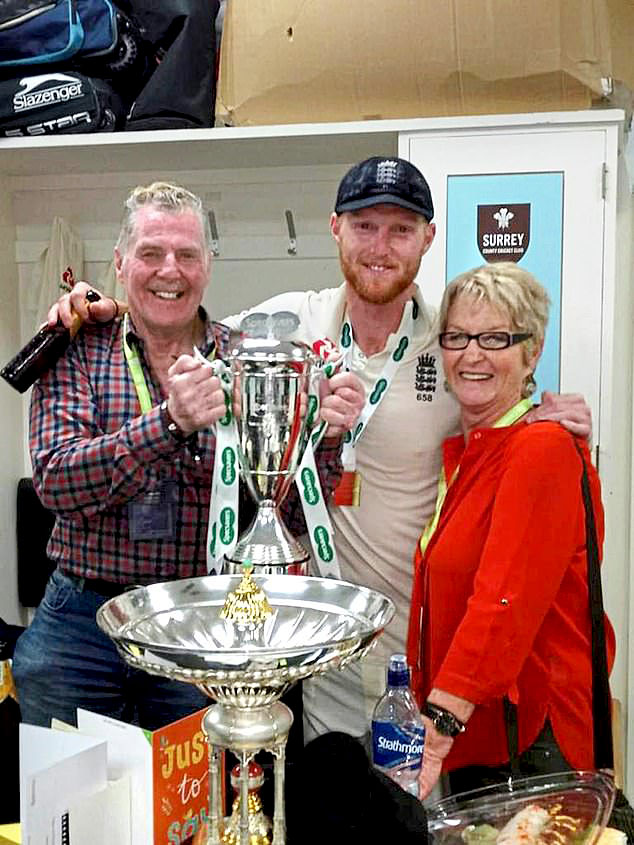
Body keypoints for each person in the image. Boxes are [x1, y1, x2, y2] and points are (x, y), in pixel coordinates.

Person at [47, 158, 592, 743]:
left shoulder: (451, 344)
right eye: (364, 225)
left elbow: (501, 421)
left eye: (401, 229)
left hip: (418, 646)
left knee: (408, 812)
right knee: (324, 798)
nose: (380, 246)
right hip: (313, 638)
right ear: (335, 227)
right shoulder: (280, 325)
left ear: (428, 238)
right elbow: (174, 317)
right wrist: (97, 310)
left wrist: (555, 421)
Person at [12, 181, 364, 731]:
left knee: (196, 809)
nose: (169, 271)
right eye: (151, 254)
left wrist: (325, 438)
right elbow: (57, 484)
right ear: (121, 264)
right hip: (81, 627)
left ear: (207, 265)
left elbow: (285, 516)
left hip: (204, 622)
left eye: (187, 255)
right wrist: (169, 424)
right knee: (69, 808)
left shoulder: (249, 361)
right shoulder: (73, 349)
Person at [406, 262, 615, 799]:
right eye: (457, 337)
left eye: (495, 337)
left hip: (532, 742)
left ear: (533, 351)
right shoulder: (473, 454)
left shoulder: (539, 450)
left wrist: (439, 725)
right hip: (479, 733)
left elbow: (504, 601)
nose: (472, 354)